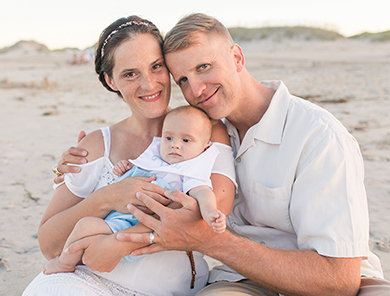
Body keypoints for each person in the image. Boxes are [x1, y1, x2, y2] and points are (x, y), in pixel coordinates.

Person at [106, 13, 390, 295]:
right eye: (182, 79)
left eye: (204, 66)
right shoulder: (199, 135)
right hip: (242, 278)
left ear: (237, 58)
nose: (195, 89)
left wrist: (209, 241)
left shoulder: (319, 136)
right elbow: (141, 141)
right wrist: (82, 159)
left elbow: (340, 281)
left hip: (336, 280)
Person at [23, 15, 236, 296]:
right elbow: (50, 245)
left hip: (167, 288)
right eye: (130, 73)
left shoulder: (203, 131)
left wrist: (122, 242)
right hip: (84, 282)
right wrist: (107, 198)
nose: (149, 85)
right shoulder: (97, 144)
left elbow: (214, 209)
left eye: (156, 67)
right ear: (110, 80)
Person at [43, 105, 229, 275]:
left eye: (186, 140)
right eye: (169, 138)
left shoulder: (190, 171)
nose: (175, 144)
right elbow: (132, 173)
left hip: (133, 228)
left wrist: (211, 212)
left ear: (205, 147)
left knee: (89, 233)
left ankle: (66, 263)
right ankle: (65, 263)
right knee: (85, 226)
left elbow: (203, 193)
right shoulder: (155, 158)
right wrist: (125, 168)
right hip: (117, 220)